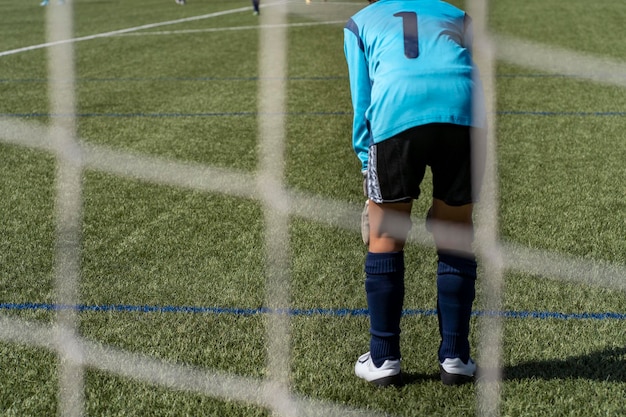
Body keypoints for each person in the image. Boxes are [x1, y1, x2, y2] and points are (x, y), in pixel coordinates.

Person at [344, 0, 486, 386]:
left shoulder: (359, 22)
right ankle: (456, 357)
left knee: (387, 233)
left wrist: (365, 163)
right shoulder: (457, 15)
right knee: (454, 229)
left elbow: (363, 104)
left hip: (397, 110)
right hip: (464, 112)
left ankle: (384, 358)